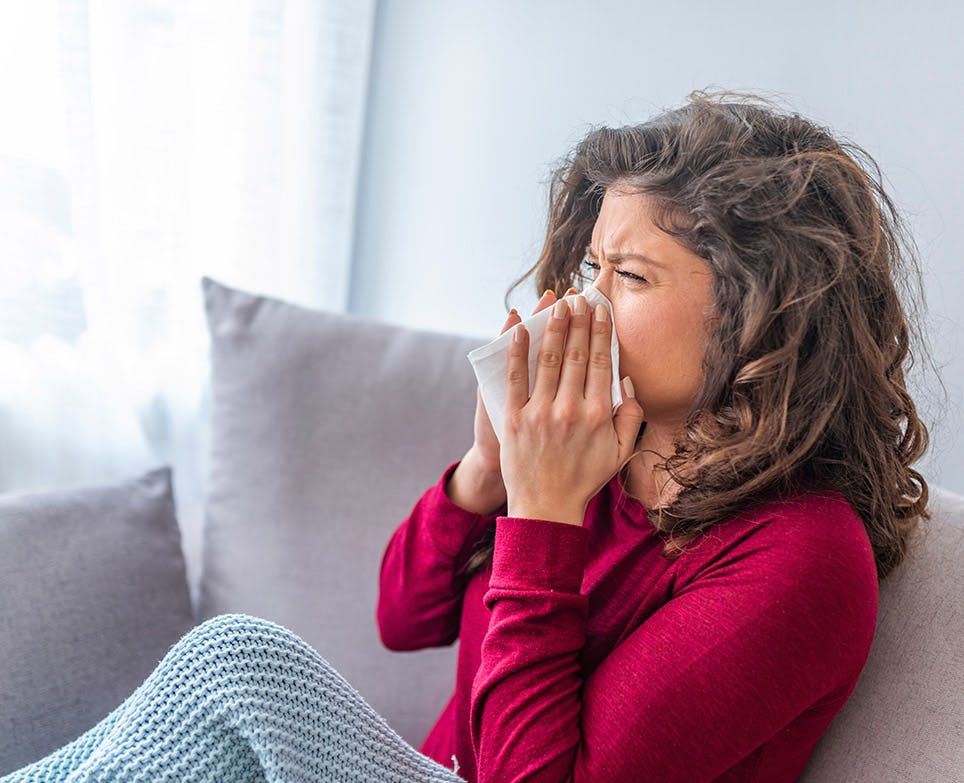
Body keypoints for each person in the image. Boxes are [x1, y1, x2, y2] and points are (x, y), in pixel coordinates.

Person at [3, 89, 934, 783]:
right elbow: (400, 618)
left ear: (759, 314)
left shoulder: (801, 557)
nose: (587, 303)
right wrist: (486, 476)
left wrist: (543, 510)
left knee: (239, 663)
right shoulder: (598, 447)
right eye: (592, 264)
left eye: (634, 277)